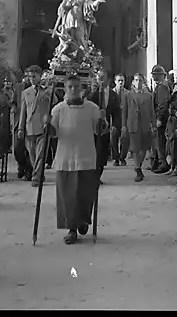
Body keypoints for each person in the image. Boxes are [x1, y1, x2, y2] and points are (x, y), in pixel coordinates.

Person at [44, 73, 107, 245]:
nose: (73, 90)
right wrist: (47, 124)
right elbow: (52, 133)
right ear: (65, 89)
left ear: (82, 89)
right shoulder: (58, 109)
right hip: (65, 157)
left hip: (86, 156)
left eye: (76, 87)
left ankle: (83, 220)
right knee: (67, 196)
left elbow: (100, 130)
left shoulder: (92, 108)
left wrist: (102, 120)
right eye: (70, 87)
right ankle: (72, 229)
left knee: (86, 194)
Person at [18, 65, 58, 187]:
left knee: (41, 155)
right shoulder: (26, 92)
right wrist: (20, 127)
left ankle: (37, 178)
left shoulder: (46, 91)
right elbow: (23, 112)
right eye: (29, 77)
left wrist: (49, 91)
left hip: (42, 127)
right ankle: (40, 174)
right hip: (29, 127)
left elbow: (55, 102)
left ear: (40, 76)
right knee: (32, 155)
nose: (31, 79)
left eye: (34, 76)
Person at [122, 73, 155, 182]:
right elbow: (124, 111)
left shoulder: (149, 95)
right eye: (136, 80)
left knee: (144, 148)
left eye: (140, 80)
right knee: (135, 148)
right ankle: (138, 168)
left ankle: (139, 165)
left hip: (145, 124)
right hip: (133, 123)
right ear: (133, 82)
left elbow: (152, 111)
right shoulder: (128, 95)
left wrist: (153, 124)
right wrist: (123, 125)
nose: (138, 82)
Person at [88, 69, 121, 172]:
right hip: (91, 127)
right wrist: (94, 91)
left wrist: (115, 125)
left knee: (102, 151)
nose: (100, 80)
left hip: (105, 128)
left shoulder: (113, 95)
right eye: (99, 77)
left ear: (109, 79)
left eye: (103, 77)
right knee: (92, 151)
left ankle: (99, 171)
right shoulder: (92, 92)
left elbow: (116, 112)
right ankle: (93, 172)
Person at [149, 65, 171, 174]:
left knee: (160, 141)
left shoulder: (162, 87)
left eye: (156, 74)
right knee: (158, 140)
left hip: (162, 118)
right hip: (159, 116)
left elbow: (162, 104)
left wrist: (159, 118)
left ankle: (163, 163)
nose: (154, 76)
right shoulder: (159, 86)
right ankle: (159, 161)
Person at [112, 74, 130, 166]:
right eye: (118, 80)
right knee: (113, 138)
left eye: (122, 80)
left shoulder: (127, 93)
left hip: (124, 119)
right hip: (114, 119)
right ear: (115, 81)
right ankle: (116, 158)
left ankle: (122, 157)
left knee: (125, 139)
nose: (120, 82)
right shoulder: (111, 93)